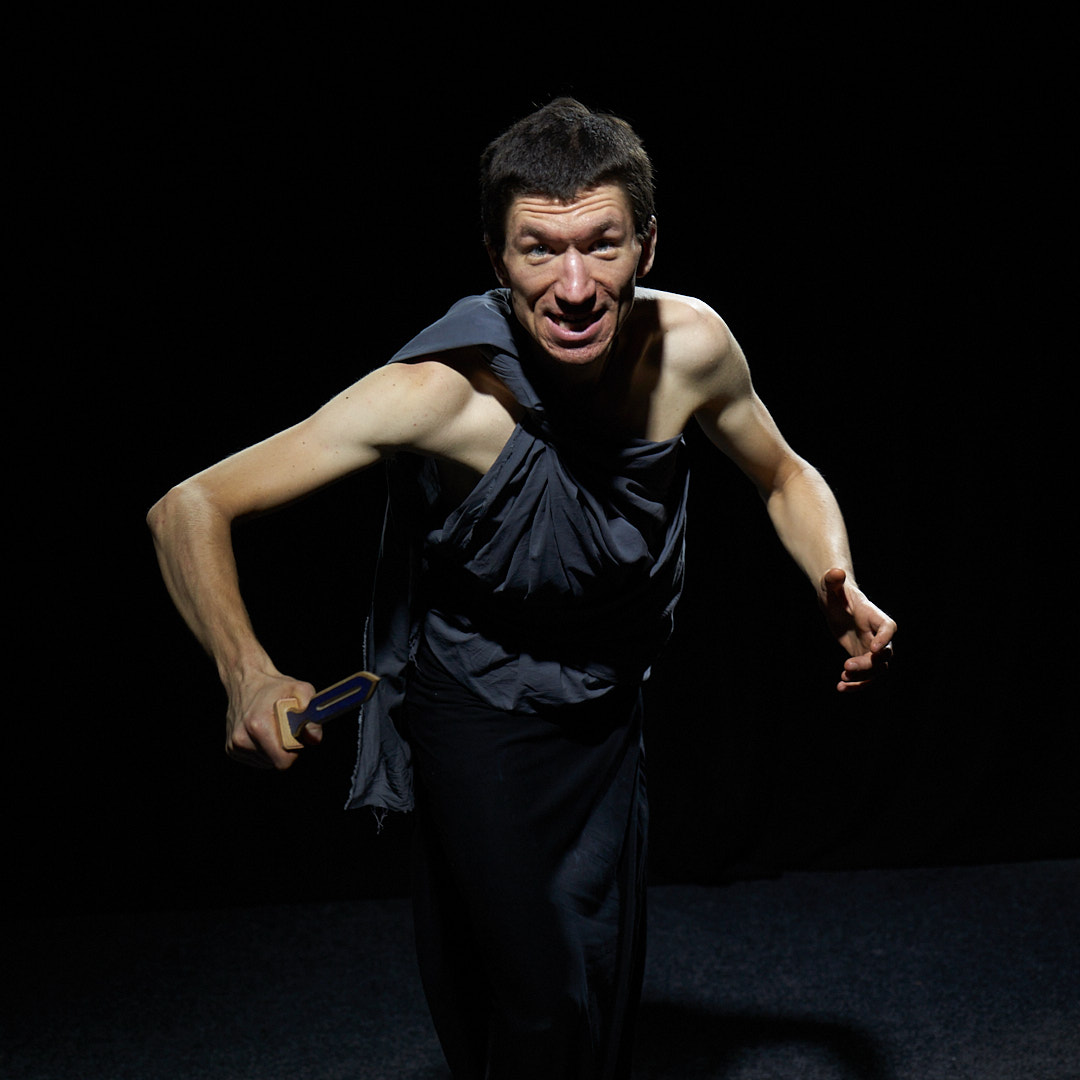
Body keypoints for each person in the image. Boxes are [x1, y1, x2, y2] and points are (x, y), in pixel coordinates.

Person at [148, 97, 895, 1080]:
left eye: (603, 245)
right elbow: (189, 505)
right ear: (497, 260)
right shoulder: (438, 395)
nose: (574, 287)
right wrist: (245, 671)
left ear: (649, 244)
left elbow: (784, 474)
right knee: (541, 998)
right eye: (540, 250)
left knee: (596, 988)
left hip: (608, 712)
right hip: (478, 715)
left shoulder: (692, 348)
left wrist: (835, 575)